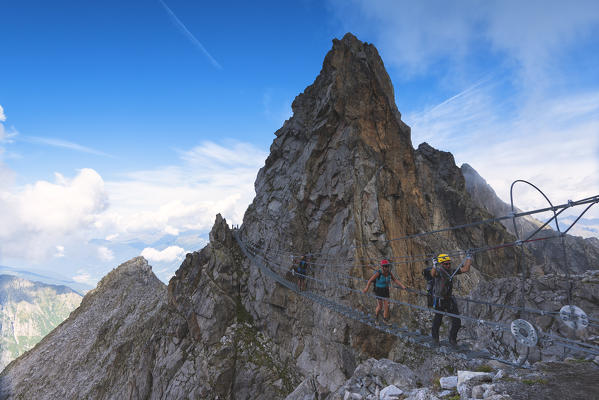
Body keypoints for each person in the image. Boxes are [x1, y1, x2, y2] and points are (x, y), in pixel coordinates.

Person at [430, 253, 472, 346]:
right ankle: (435, 339)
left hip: (449, 299)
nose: (448, 265)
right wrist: (434, 265)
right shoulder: (439, 271)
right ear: (441, 264)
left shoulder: (452, 271)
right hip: (439, 300)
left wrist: (469, 257)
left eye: (449, 263)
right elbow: (433, 274)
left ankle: (452, 339)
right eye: (446, 264)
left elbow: (466, 269)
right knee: (438, 320)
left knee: (457, 321)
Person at [362, 259, 407, 324]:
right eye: (385, 266)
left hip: (386, 290)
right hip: (379, 290)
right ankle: (376, 317)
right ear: (382, 267)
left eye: (387, 266)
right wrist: (366, 288)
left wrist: (402, 286)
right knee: (380, 306)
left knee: (386, 306)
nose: (387, 267)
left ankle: (385, 320)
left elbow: (395, 280)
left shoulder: (389, 273)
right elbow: (370, 280)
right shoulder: (378, 273)